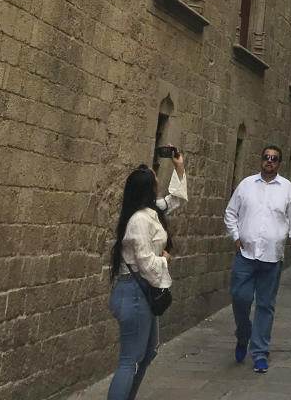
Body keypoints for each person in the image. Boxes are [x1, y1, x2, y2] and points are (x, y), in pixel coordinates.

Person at [107, 150, 187, 400]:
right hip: (133, 291)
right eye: (154, 180)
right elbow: (145, 262)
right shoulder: (139, 220)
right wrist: (164, 259)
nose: (157, 184)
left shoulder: (151, 211)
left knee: (149, 351)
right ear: (147, 188)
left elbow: (175, 199)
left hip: (141, 292)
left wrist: (179, 168)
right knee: (129, 359)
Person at [224, 145, 291, 373]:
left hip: (272, 258)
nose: (270, 161)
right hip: (246, 255)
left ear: (279, 163)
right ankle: (243, 334)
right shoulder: (246, 185)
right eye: (266, 158)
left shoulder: (287, 188)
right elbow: (230, 213)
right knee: (240, 299)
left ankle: (260, 353)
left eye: (274, 159)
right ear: (261, 161)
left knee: (265, 306)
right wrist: (236, 237)